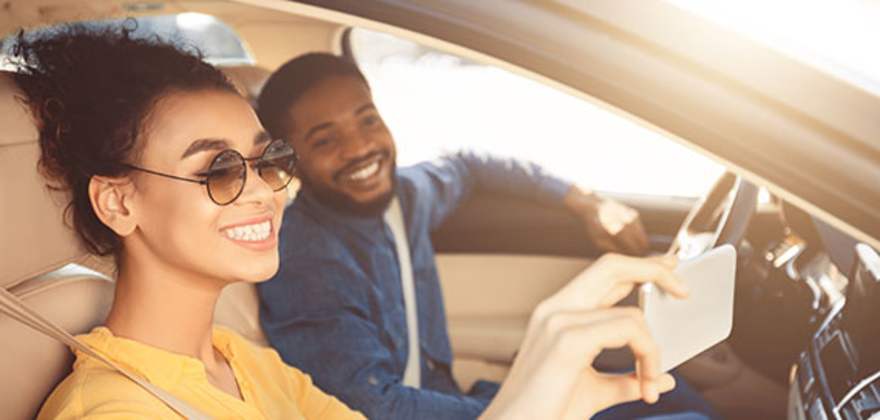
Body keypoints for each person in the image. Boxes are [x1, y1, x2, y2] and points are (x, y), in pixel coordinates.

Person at [16, 24, 684, 419]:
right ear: (118, 202)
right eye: (218, 171)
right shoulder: (116, 411)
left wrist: (546, 391)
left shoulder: (240, 363)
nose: (265, 193)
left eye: (267, 161)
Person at [256, 53, 715, 419]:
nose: (359, 147)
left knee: (675, 396)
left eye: (367, 119)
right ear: (288, 164)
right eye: (324, 140)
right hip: (434, 412)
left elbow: (472, 164)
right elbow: (375, 407)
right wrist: (531, 405)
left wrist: (586, 201)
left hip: (449, 396)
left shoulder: (407, 196)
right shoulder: (304, 258)